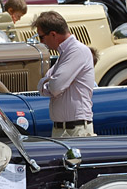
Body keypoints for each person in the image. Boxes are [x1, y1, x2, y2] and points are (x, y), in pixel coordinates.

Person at [34, 10, 96, 138]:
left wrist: (49, 82)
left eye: (41, 37)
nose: (42, 42)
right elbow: (45, 85)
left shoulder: (77, 51)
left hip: (76, 130)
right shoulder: (65, 53)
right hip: (62, 129)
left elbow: (55, 87)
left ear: (53, 34)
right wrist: (48, 82)